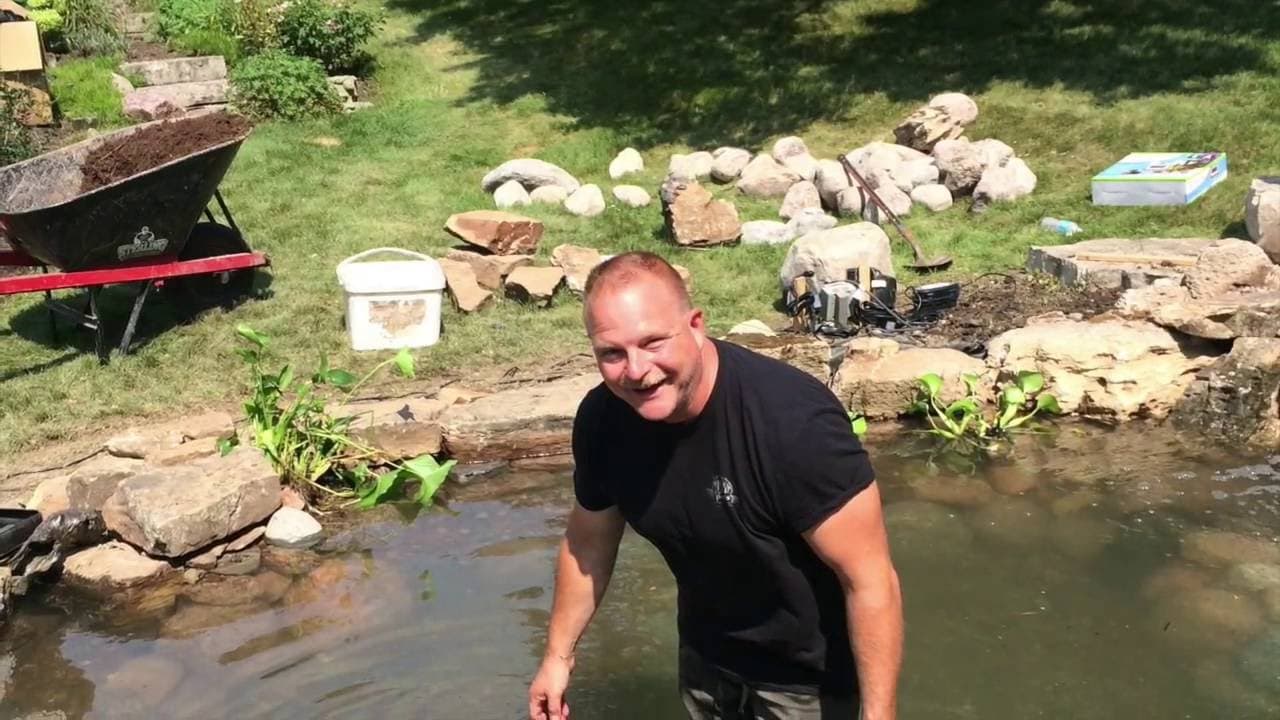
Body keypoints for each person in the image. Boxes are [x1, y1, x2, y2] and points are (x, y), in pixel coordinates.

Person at [527, 251, 903, 720]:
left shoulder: (792, 425)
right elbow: (588, 544)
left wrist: (879, 715)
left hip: (808, 681)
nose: (637, 370)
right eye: (612, 353)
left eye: (653, 342)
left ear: (696, 325)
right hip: (708, 659)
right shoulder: (604, 420)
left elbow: (870, 581)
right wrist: (557, 658)